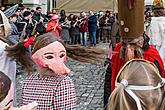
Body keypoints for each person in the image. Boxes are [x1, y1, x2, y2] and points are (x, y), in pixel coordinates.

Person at [103, 0, 165, 109]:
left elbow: (159, 84)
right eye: (125, 43)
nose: (128, 48)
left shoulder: (151, 55)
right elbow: (109, 78)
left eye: (132, 43)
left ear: (141, 41)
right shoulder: (118, 50)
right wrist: (108, 104)